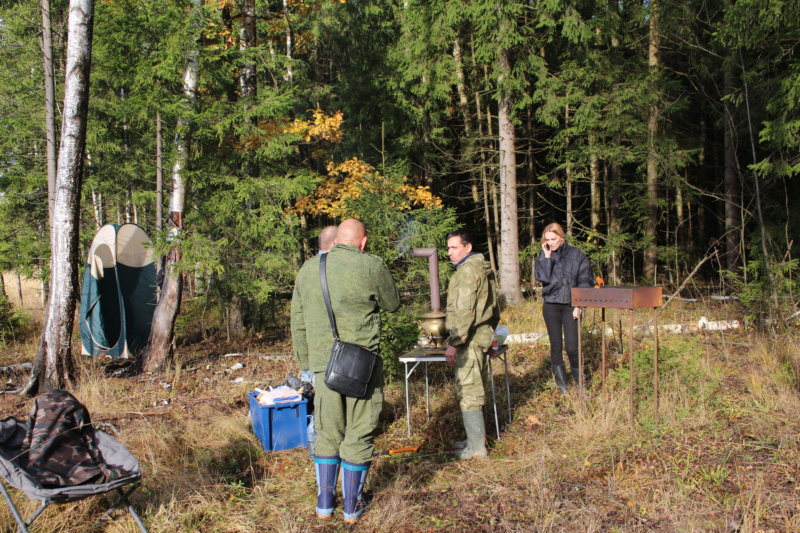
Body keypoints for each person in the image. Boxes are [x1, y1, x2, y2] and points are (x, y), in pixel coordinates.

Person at [291, 218, 400, 523]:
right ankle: (352, 507)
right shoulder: (370, 265)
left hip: (324, 367)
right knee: (359, 430)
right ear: (362, 242)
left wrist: (307, 365)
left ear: (337, 240)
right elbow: (392, 304)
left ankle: (325, 503)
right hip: (362, 366)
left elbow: (297, 322)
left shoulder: (308, 269)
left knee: (327, 431)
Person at [443, 229, 500, 460]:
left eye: (454, 247)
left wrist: (454, 344)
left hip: (469, 339)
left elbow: (464, 312)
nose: (449, 253)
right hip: (480, 335)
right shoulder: (482, 268)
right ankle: (476, 440)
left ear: (468, 247)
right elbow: (494, 308)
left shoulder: (467, 273)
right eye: (448, 248)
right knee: (476, 388)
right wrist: (489, 330)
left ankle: (477, 449)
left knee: (469, 391)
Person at [534, 222, 594, 395]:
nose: (551, 243)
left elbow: (586, 279)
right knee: (555, 346)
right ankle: (563, 389)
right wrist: (546, 257)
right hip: (551, 306)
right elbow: (542, 278)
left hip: (571, 306)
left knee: (572, 347)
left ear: (562, 237)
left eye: (554, 239)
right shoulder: (544, 255)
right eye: (547, 240)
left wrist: (579, 304)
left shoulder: (577, 255)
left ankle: (580, 386)